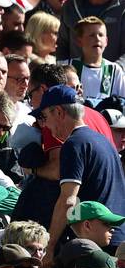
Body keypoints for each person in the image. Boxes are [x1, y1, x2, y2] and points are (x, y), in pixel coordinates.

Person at [36, 84, 125, 249]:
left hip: (99, 243)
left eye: (45, 116)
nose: (45, 125)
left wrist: (50, 245)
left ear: (59, 112)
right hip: (117, 239)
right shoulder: (103, 140)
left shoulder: (74, 143)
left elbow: (68, 200)